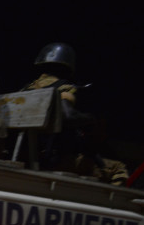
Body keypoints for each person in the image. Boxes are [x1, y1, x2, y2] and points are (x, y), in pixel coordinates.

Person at [21, 42, 128, 185]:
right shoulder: (63, 88)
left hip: (25, 155)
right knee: (117, 168)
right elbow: (68, 116)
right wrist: (91, 119)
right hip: (51, 160)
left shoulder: (26, 89)